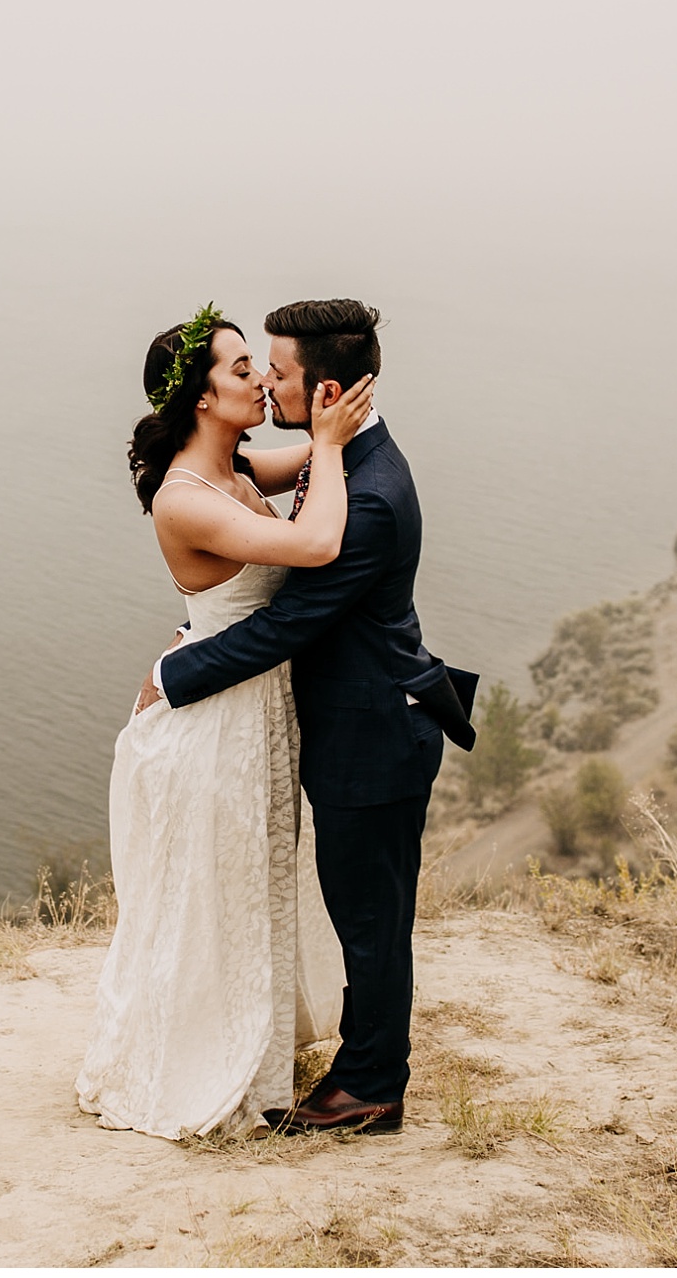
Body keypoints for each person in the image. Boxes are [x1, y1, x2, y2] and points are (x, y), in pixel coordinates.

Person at [135, 298, 476, 1137]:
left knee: (370, 921)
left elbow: (288, 621)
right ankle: (352, 1061)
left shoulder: (366, 496)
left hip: (372, 734)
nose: (265, 381)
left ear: (323, 389)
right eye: (248, 367)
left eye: (275, 370)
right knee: (361, 911)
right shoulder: (348, 461)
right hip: (353, 726)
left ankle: (369, 1083)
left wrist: (174, 671)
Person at [74, 304, 372, 1140]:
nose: (261, 380)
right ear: (202, 398)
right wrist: (338, 445)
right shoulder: (185, 496)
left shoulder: (238, 467)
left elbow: (308, 453)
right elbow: (314, 545)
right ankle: (204, 1062)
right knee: (215, 896)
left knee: (255, 883)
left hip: (254, 708)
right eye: (243, 369)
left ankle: (263, 1059)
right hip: (213, 726)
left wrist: (332, 420)